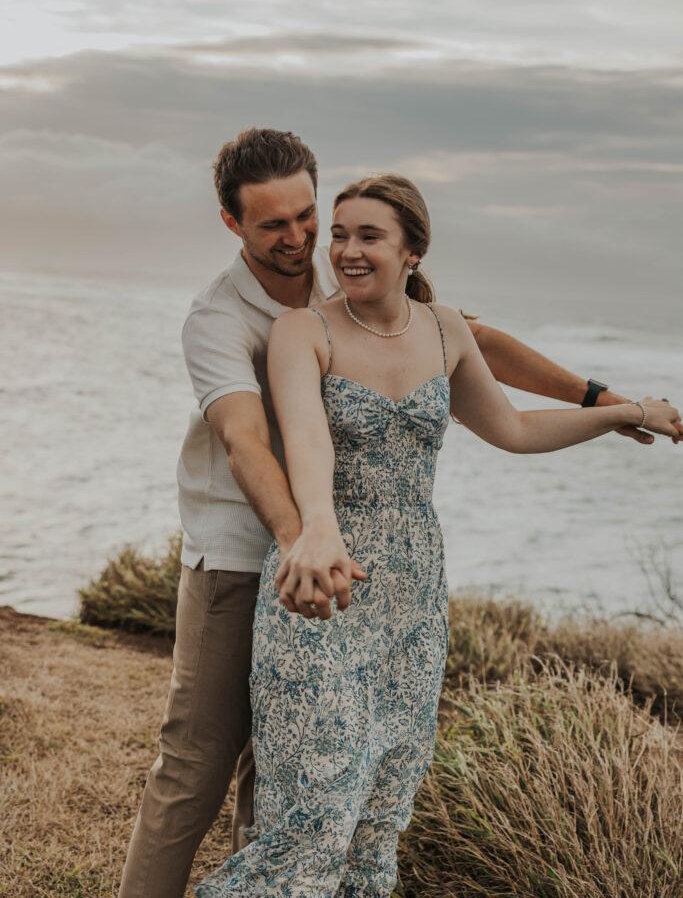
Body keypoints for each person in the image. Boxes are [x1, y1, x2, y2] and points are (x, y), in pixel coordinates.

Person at [117, 129, 680, 898]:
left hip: (395, 581)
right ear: (232, 224)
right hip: (247, 549)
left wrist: (604, 403)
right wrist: (308, 533)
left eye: (309, 219)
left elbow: (477, 361)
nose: (305, 240)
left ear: (406, 247)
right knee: (201, 765)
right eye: (274, 226)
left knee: (344, 792)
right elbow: (250, 440)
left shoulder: (357, 277)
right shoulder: (233, 320)